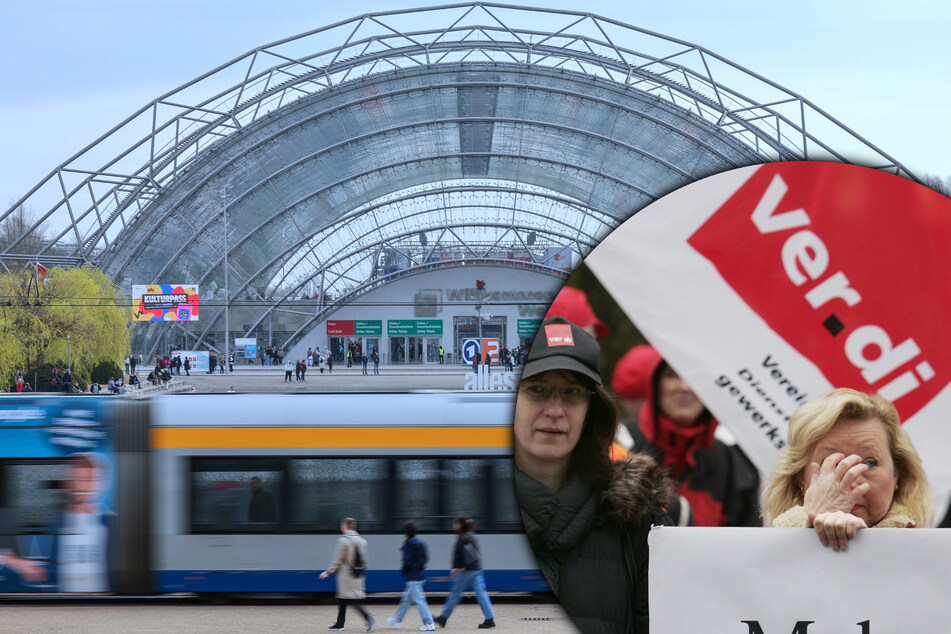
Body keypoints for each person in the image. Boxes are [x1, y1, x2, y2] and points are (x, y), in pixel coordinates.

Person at [512, 316, 673, 634]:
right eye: (538, 389)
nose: (555, 410)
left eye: (572, 393)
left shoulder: (638, 522)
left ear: (592, 409)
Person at [762, 388, 933, 551]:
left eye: (870, 463)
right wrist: (810, 528)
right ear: (801, 478)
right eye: (831, 463)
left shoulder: (930, 554)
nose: (849, 479)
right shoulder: (760, 552)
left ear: (897, 474)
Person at [625, 345, 760, 527]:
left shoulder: (730, 463)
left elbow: (746, 544)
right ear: (655, 384)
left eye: (694, 377)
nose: (684, 387)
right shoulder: (621, 443)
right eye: (672, 375)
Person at [432, 515, 495, 629]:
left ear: (460, 525)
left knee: (455, 594)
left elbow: (467, 555)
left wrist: (461, 568)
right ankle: (490, 619)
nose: (454, 525)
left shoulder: (464, 536)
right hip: (476, 569)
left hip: (467, 571)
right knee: (481, 594)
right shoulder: (471, 534)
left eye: (456, 523)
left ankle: (443, 617)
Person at [319, 518, 378, 632]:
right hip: (357, 574)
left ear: (345, 526)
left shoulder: (343, 541)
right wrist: (363, 572)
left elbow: (337, 559)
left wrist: (328, 572)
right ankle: (340, 624)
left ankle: (369, 619)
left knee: (351, 599)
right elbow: (364, 559)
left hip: (346, 575)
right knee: (343, 598)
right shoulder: (362, 541)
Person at [387, 521, 435, 631]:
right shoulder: (420, 542)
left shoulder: (408, 544)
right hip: (419, 575)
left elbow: (407, 561)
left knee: (420, 600)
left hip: (412, 577)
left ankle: (429, 623)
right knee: (406, 600)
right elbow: (424, 559)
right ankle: (397, 620)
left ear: (406, 532)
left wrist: (405, 569)